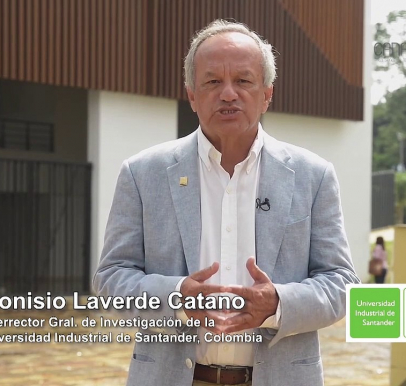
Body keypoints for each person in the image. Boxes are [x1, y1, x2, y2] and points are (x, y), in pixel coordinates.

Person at [92, 19, 360, 386]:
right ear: (191, 94)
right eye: (213, 81)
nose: (229, 94)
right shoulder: (143, 173)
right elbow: (110, 281)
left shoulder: (314, 176)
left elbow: (341, 285)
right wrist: (175, 298)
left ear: (267, 93)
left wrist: (278, 303)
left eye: (244, 81)